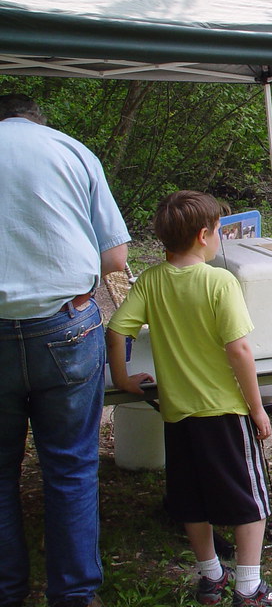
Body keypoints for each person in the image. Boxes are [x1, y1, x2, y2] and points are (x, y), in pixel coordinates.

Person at [105, 191, 272, 607]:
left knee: (190, 498)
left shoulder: (153, 279)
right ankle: (248, 589)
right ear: (204, 235)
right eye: (219, 234)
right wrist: (257, 407)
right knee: (251, 500)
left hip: (177, 413)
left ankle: (211, 576)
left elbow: (117, 328)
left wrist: (122, 377)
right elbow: (239, 350)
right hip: (224, 411)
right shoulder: (218, 281)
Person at [0, 94, 131, 607]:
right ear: (37, 120)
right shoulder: (71, 151)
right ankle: (75, 597)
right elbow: (115, 256)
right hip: (66, 326)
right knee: (71, 467)